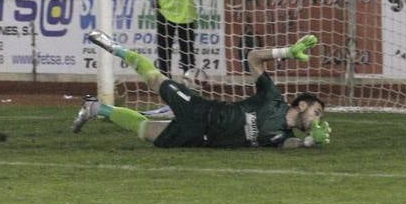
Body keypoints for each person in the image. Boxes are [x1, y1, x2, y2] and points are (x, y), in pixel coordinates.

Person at [70, 30, 332, 149]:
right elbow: (253, 57)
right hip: (202, 111)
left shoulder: (282, 136)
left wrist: (309, 142)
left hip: (199, 139)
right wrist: (286, 52)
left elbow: (290, 145)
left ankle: (94, 108)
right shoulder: (273, 98)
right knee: (155, 80)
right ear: (301, 105)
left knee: (144, 130)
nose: (317, 119)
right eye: (316, 112)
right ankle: (116, 48)